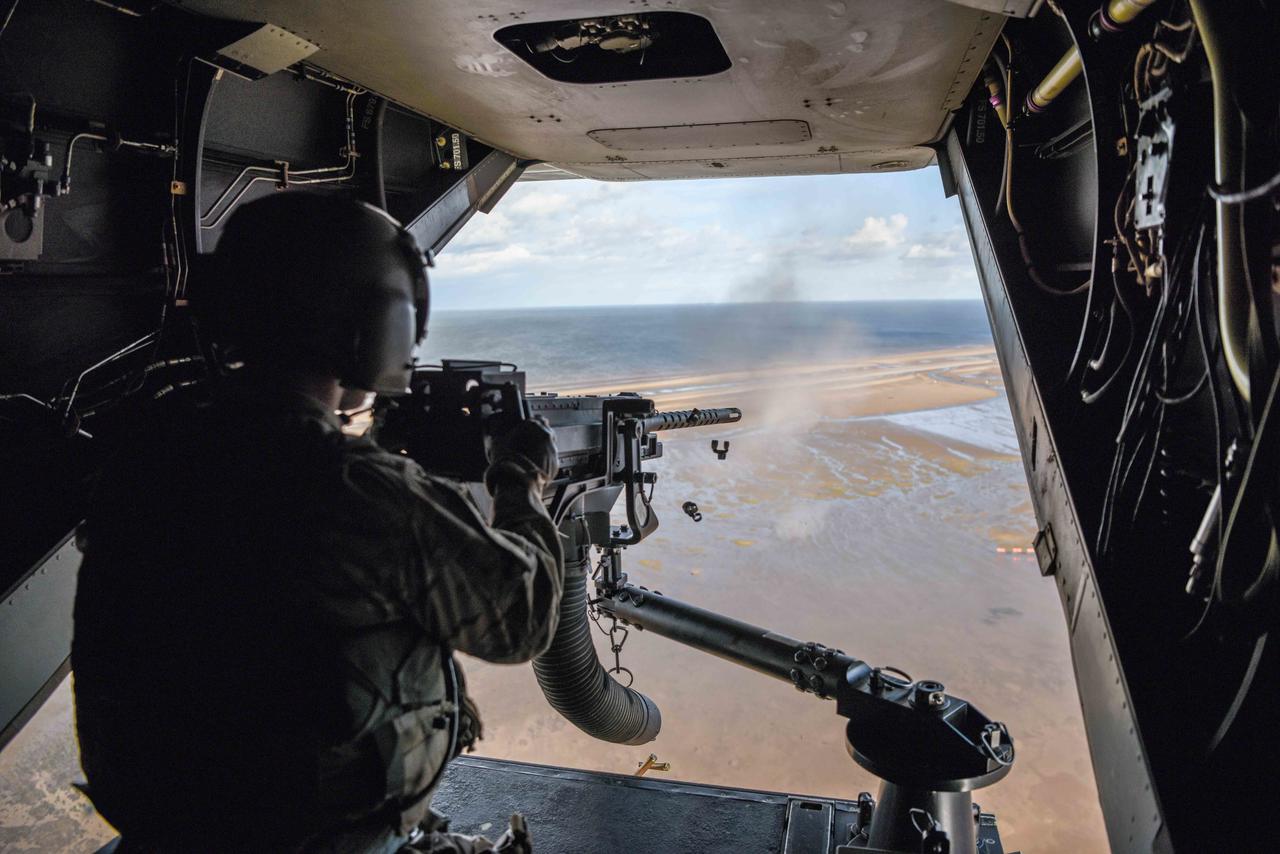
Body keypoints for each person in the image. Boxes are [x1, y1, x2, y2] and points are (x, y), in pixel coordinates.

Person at [71, 192, 564, 853]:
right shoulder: (351, 488)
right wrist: (520, 481)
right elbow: (520, 618)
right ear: (378, 324)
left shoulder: (146, 455)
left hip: (168, 830)